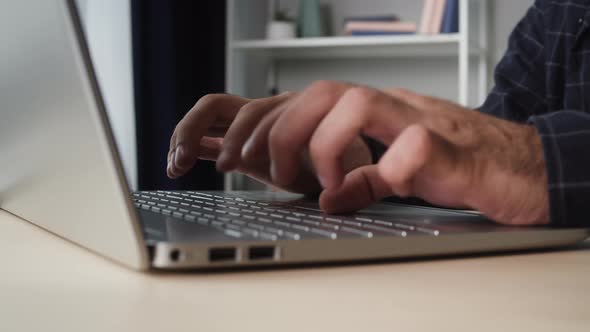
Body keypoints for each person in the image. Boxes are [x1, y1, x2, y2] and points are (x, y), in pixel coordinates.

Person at [166, 0, 590, 227]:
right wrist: (356, 154)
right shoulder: (557, 11)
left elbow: (510, 156)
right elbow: (494, 139)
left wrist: (534, 162)